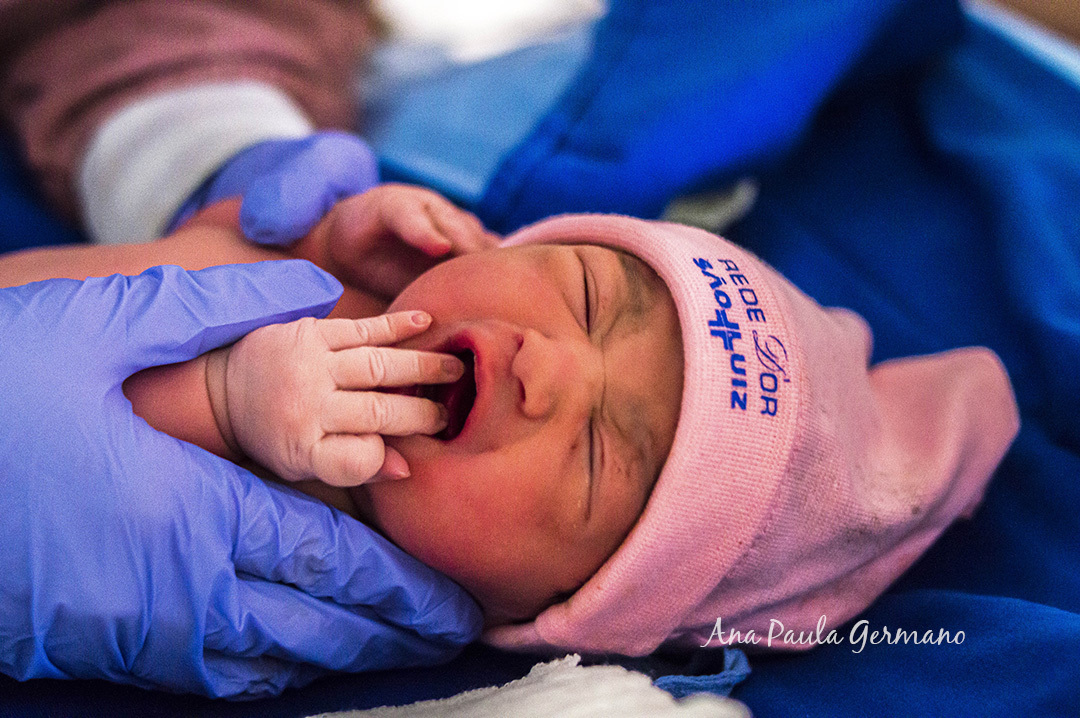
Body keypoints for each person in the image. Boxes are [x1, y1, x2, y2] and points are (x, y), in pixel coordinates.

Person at [0, 178, 1022, 652]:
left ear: (537, 614)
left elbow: (104, 495)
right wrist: (305, 231)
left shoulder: (340, 602)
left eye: (597, 456)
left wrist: (228, 404)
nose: (554, 371)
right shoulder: (332, 279)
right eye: (583, 291)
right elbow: (137, 307)